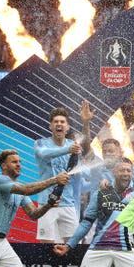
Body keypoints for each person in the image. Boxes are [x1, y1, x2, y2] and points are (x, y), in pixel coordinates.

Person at [34, 101, 92, 243]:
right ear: (50, 126)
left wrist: (85, 123)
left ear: (67, 126)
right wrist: (67, 150)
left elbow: (86, 146)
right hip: (47, 203)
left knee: (73, 246)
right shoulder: (40, 143)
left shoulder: (73, 145)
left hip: (67, 203)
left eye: (62, 122)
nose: (59, 124)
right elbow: (43, 154)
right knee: (46, 247)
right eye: (55, 122)